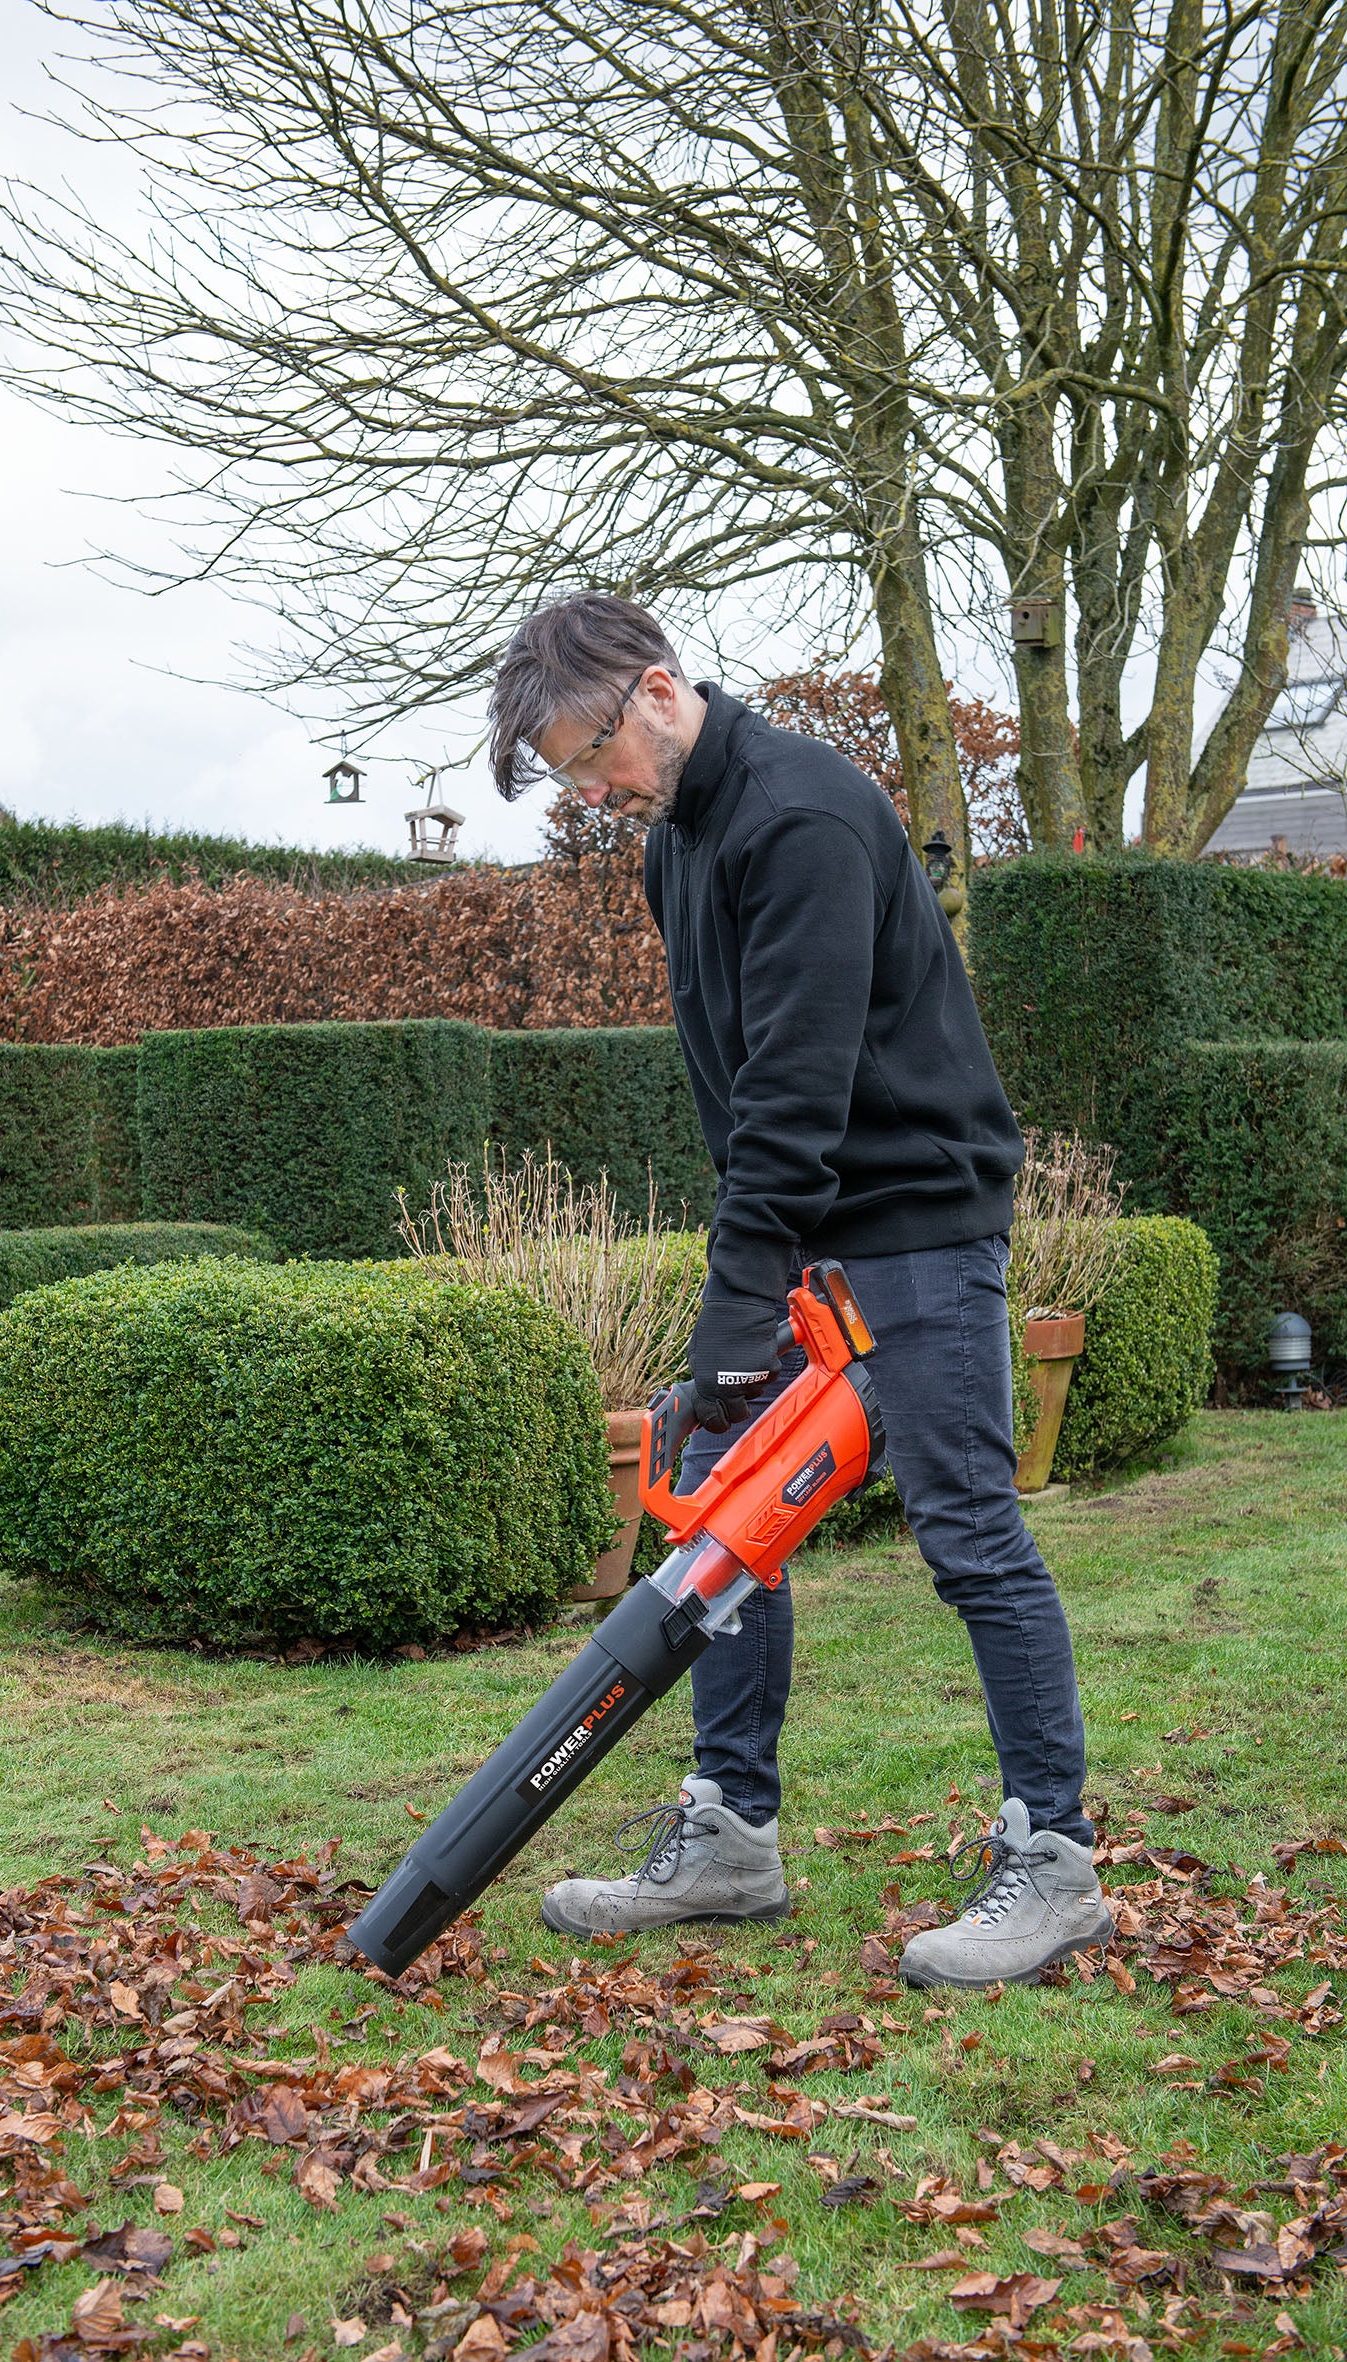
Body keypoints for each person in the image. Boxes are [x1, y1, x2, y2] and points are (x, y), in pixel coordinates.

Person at [485, 593, 1111, 1989]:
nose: (594, 790)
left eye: (595, 754)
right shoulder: (681, 845)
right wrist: (752, 1300)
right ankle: (731, 1834)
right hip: (814, 1232)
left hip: (915, 1225)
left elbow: (794, 1095)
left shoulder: (803, 821)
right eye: (573, 774)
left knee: (967, 1522)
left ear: (658, 689)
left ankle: (1055, 1860)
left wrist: (734, 1302)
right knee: (720, 1508)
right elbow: (736, 1088)